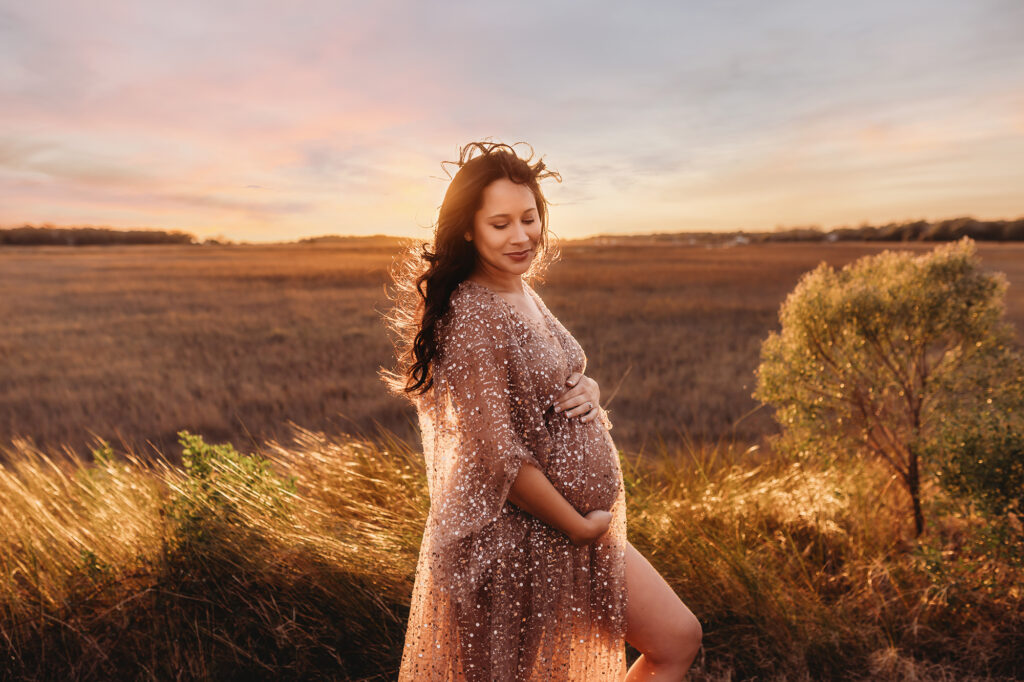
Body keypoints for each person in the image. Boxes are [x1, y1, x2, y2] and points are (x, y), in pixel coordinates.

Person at [380, 141, 702, 681]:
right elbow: (494, 453)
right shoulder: (472, 313)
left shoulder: (518, 288)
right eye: (500, 223)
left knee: (676, 637)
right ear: (468, 229)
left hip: (573, 530)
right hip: (510, 542)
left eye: (529, 218)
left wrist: (589, 389)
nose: (521, 235)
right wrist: (577, 526)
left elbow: (547, 381)